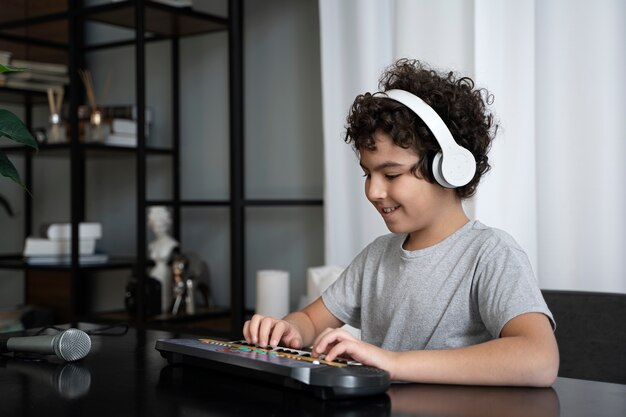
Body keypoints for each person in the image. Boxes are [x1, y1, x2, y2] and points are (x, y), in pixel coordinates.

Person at [243, 59, 559, 386]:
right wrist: (290, 329)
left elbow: (539, 359)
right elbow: (310, 319)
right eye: (368, 173)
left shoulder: (489, 254)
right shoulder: (377, 255)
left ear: (449, 168)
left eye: (391, 174)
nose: (373, 191)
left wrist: (392, 363)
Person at [147, 206, 178, 311]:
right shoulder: (152, 245)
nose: (157, 228)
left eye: (160, 224)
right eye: (155, 224)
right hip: (154, 274)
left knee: (164, 301)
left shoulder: (171, 244)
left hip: (165, 274)